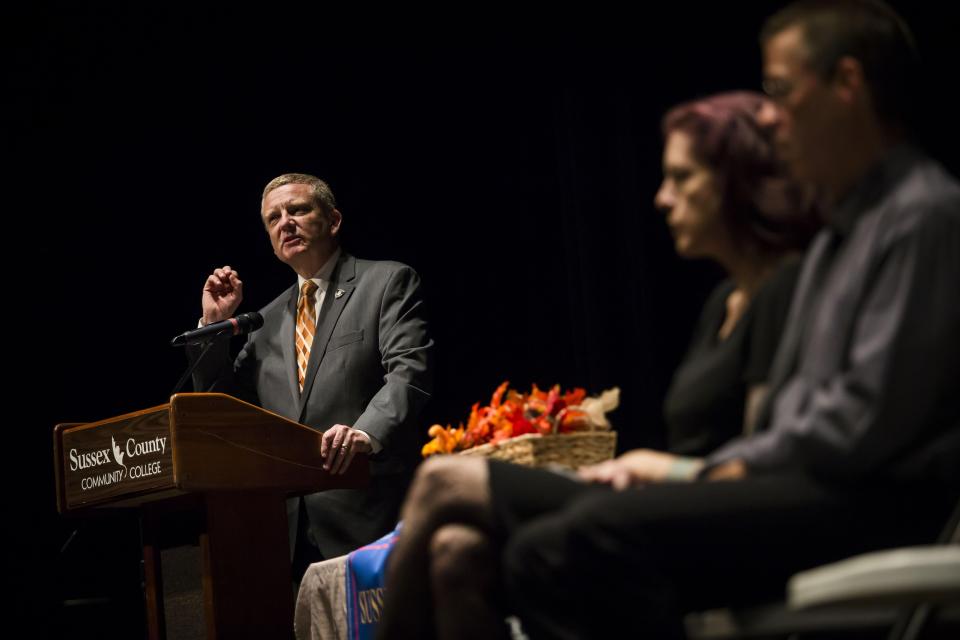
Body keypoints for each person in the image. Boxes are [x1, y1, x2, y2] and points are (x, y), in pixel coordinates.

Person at [377, 2, 960, 638]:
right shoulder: (839, 238)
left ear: (848, 84)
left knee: (565, 543)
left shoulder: (924, 214)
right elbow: (796, 418)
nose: (770, 114)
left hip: (867, 498)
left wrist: (702, 473)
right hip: (810, 482)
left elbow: (861, 425)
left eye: (781, 90)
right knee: (505, 549)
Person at [190, 173, 434, 573]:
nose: (285, 222)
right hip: (285, 533)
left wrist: (365, 433)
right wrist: (213, 329)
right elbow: (223, 414)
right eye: (273, 218)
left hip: (369, 515)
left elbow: (409, 372)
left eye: (298, 210)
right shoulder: (263, 322)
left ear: (333, 220)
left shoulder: (386, 281)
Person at [656, 91, 818, 457]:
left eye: (682, 177)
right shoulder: (723, 300)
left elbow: (758, 468)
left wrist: (659, 472)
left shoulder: (784, 287)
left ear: (736, 182)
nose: (663, 198)